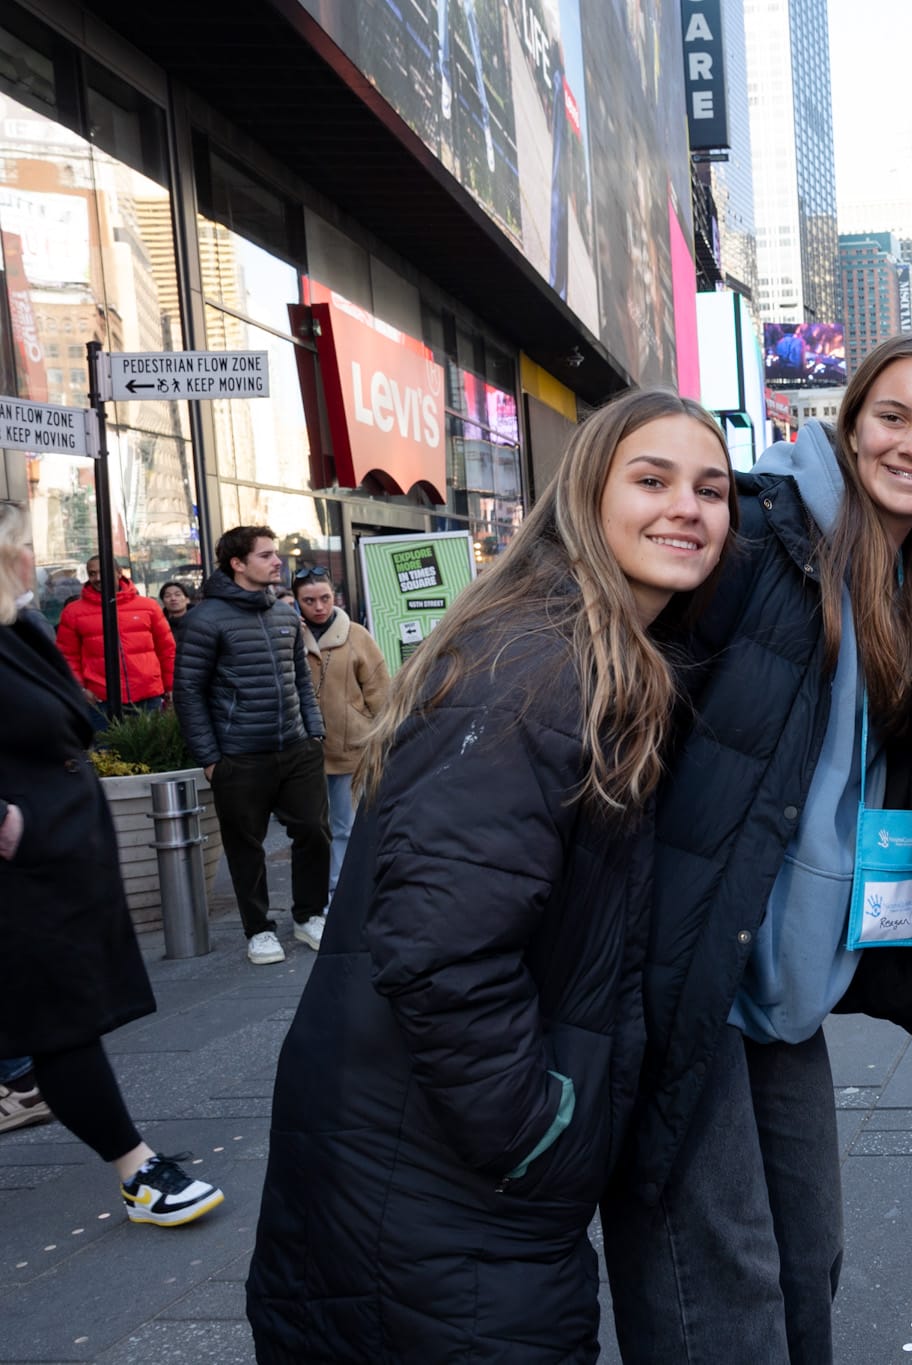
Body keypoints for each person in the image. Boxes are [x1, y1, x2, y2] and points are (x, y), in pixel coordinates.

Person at [246, 390, 736, 1364]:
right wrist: (534, 1132)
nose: (687, 507)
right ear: (585, 497)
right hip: (442, 1184)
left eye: (712, 489)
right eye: (652, 479)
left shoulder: (578, 648)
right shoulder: (539, 668)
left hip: (430, 1178)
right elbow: (440, 944)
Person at [607, 334, 912, 1364]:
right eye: (892, 416)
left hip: (788, 965)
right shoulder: (757, 533)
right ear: (850, 420)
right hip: (691, 952)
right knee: (722, 1273)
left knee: (809, 1254)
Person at [0, 500, 225, 1226]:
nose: (36, 559)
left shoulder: (19, 625)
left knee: (57, 1018)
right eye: (24, 547)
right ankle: (137, 1171)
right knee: (61, 1024)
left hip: (55, 858)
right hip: (22, 873)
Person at [173, 526, 330, 965]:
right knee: (246, 846)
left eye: (275, 553)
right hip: (238, 755)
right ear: (238, 564)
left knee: (314, 832)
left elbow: (301, 679)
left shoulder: (284, 614)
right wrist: (210, 759)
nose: (277, 561)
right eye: (266, 555)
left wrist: (314, 732)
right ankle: (259, 929)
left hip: (297, 747)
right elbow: (188, 693)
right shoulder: (204, 620)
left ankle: (309, 915)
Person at [293, 567, 390, 898]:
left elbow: (379, 689)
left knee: (345, 826)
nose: (319, 606)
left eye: (325, 598)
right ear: (297, 601)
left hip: (350, 746)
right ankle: (314, 895)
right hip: (302, 750)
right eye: (309, 600)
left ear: (335, 596)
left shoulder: (356, 635)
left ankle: (340, 893)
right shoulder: (289, 635)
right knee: (310, 827)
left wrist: (384, 736)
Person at [56, 555, 177, 721]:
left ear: (119, 573)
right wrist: (80, 689)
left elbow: (167, 649)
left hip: (147, 696)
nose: (97, 578)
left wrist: (171, 685)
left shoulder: (148, 607)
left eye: (102, 572)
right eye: (92, 574)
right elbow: (67, 656)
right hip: (100, 700)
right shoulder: (73, 612)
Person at [157, 582, 193, 647]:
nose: (173, 599)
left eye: (178, 595)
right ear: (163, 602)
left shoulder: (199, 621)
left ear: (187, 599)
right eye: (168, 596)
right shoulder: (158, 625)